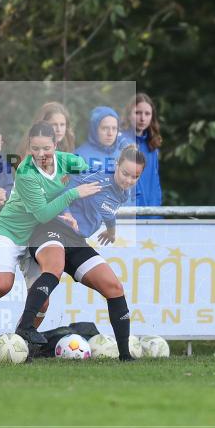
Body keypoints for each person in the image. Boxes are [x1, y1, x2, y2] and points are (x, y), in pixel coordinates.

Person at [0, 122, 101, 346]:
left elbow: (87, 169)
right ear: (29, 146)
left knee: (42, 299)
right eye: (35, 148)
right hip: (10, 231)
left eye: (46, 148)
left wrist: (72, 205)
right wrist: (72, 195)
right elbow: (42, 214)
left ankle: (20, 342)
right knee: (2, 285)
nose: (40, 154)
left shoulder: (66, 160)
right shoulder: (26, 171)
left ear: (55, 145)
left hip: (35, 236)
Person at [23, 145, 146, 360]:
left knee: (114, 287)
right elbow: (61, 192)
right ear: (116, 165)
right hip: (51, 227)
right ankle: (24, 331)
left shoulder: (123, 193)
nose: (128, 180)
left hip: (76, 240)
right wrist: (68, 213)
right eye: (125, 173)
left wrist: (111, 230)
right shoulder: (97, 179)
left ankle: (125, 356)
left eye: (134, 177)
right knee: (54, 270)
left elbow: (108, 211)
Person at [125, 93, 163, 211]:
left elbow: (155, 183)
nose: (142, 118)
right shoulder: (119, 142)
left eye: (147, 114)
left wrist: (156, 210)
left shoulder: (153, 145)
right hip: (127, 213)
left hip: (151, 212)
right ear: (128, 114)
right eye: (137, 113)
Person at [75, 106, 132, 173]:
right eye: (105, 128)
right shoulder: (78, 156)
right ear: (94, 129)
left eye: (114, 128)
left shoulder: (124, 154)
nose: (110, 133)